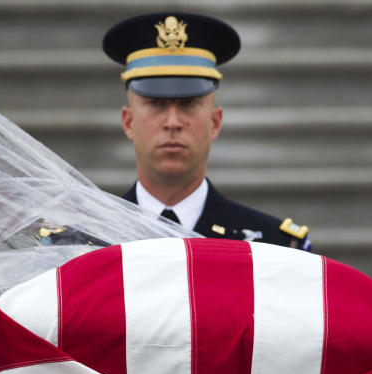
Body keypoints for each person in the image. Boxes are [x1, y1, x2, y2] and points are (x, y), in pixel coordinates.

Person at [103, 12, 310, 250]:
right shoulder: (86, 240)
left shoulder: (275, 246)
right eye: (156, 103)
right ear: (128, 122)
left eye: (188, 103)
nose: (172, 122)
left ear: (215, 121)